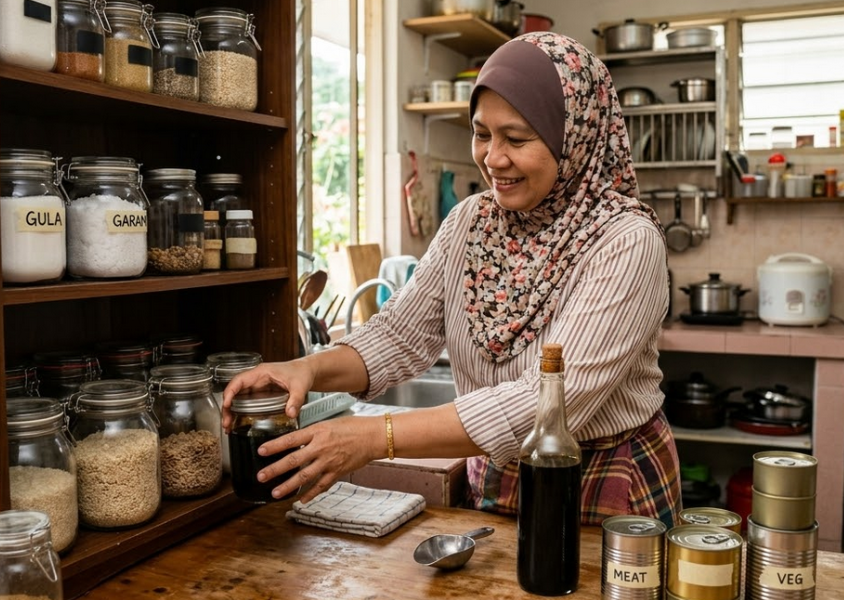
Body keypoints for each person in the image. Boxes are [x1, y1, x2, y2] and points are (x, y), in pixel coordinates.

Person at [222, 31, 682, 527]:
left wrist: (375, 437)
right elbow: (398, 337)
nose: (493, 158)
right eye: (482, 134)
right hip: (500, 472)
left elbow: (548, 403)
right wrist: (306, 370)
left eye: (517, 139)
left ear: (575, 138)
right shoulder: (471, 221)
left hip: (603, 477)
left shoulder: (626, 240)